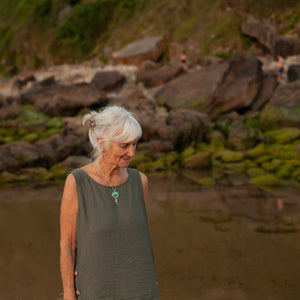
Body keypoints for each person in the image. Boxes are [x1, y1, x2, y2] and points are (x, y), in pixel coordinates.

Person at [60, 105, 159, 300]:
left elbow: (133, 241)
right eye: (124, 146)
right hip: (95, 291)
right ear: (101, 142)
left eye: (134, 144)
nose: (132, 153)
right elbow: (67, 245)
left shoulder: (140, 182)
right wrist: (69, 296)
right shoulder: (77, 182)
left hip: (141, 291)